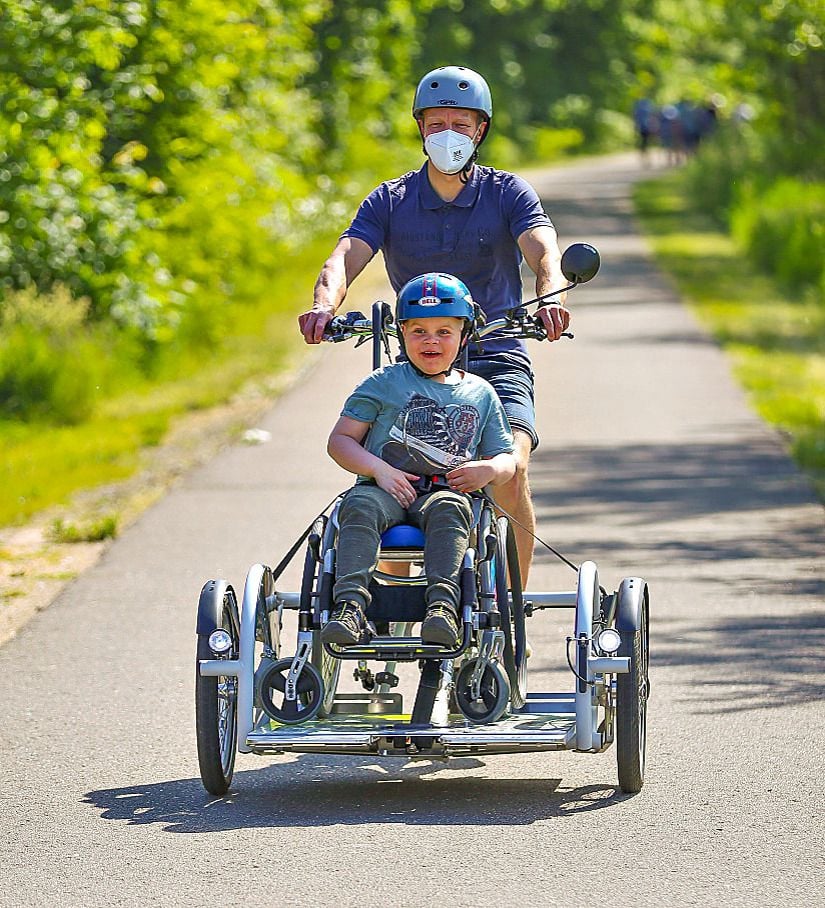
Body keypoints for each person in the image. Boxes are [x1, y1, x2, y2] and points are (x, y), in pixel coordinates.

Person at [299, 65, 569, 583]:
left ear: (480, 130)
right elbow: (344, 257)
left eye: (461, 124)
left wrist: (548, 295)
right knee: (389, 478)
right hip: (422, 360)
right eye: (437, 123)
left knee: (511, 470)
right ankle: (391, 602)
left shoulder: (507, 192)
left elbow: (543, 251)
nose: (449, 134)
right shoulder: (391, 199)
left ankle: (510, 614)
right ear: (421, 129)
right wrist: (323, 305)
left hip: (497, 354)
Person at [322, 273, 516, 648]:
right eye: (419, 331)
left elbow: (506, 458)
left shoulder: (481, 393)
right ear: (402, 333)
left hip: (446, 492)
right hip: (384, 489)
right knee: (358, 506)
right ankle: (350, 608)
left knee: (450, 509)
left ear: (465, 334)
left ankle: (442, 609)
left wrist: (489, 469)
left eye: (444, 331)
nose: (431, 340)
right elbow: (340, 441)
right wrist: (378, 469)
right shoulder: (383, 382)